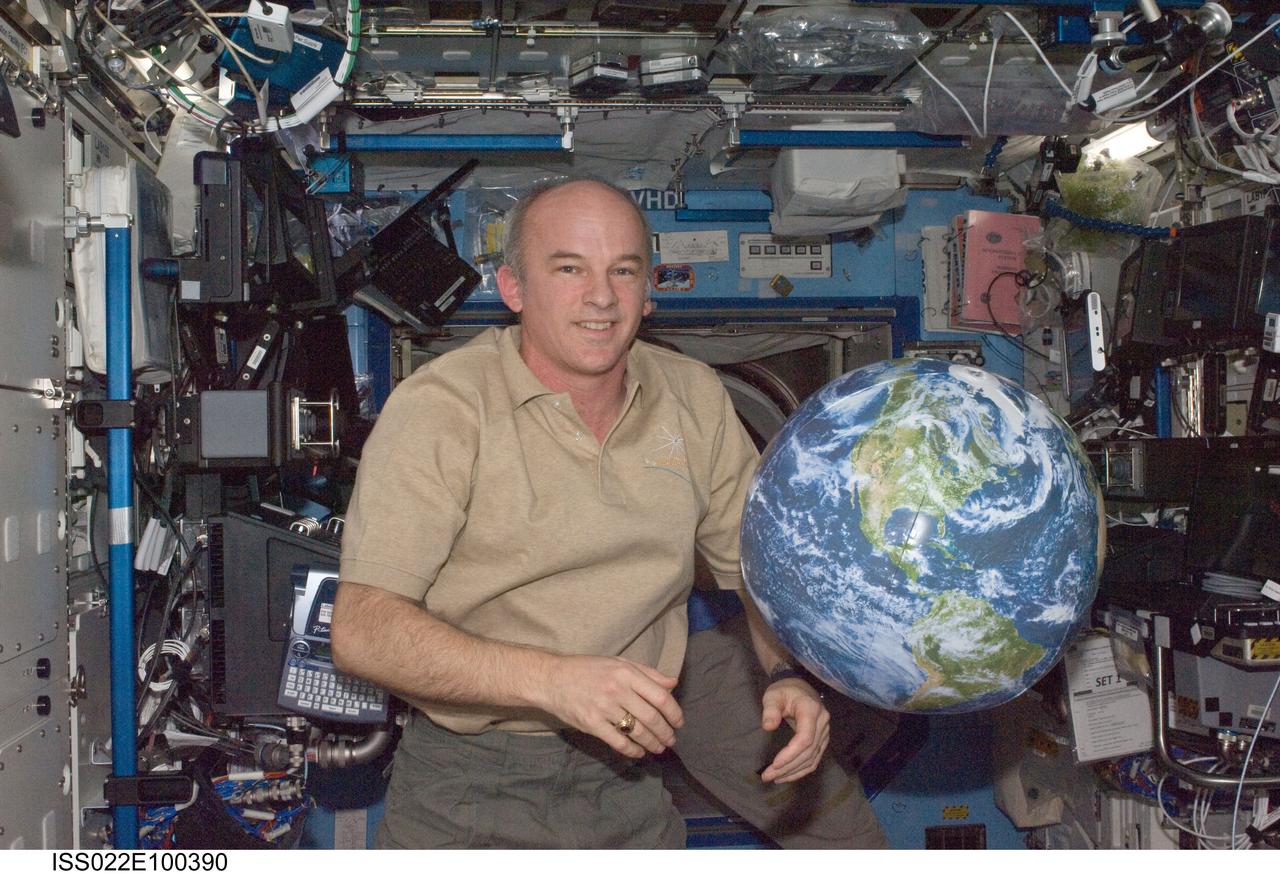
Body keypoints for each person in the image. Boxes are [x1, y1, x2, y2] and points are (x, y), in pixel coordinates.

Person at [331, 177, 832, 849]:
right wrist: (552, 681)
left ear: (648, 289)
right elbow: (362, 630)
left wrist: (786, 673)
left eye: (622, 271)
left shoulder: (693, 396)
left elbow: (755, 568)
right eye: (569, 269)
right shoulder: (443, 407)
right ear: (513, 288)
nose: (601, 297)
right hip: (468, 787)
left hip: (626, 782)